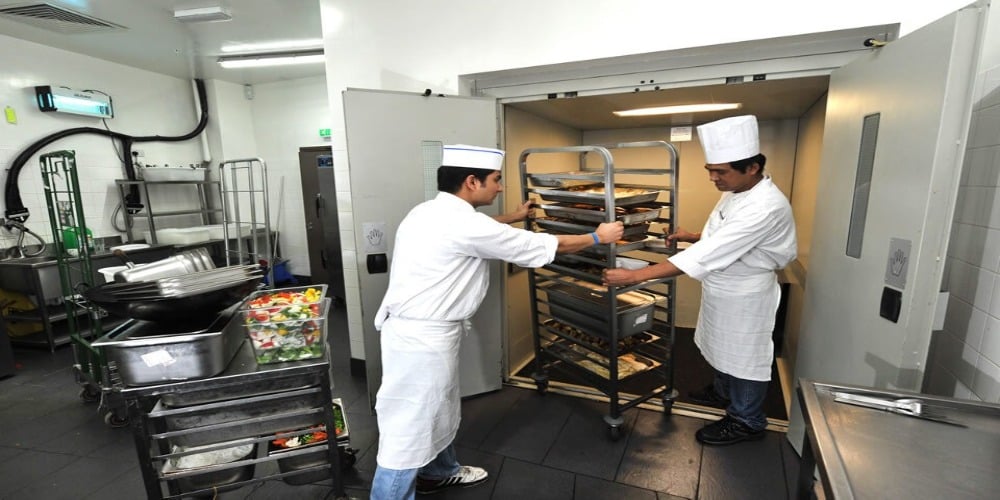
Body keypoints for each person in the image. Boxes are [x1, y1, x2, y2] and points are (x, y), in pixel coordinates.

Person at [371, 144, 624, 499]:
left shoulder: (427, 211)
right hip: (422, 340)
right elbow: (540, 245)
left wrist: (515, 217)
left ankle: (437, 473)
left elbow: (481, 229)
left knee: (438, 407)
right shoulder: (465, 224)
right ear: (471, 182)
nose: (501, 187)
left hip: (416, 332)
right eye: (496, 179)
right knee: (409, 428)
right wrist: (598, 236)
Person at [603, 115, 797, 446]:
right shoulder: (738, 189)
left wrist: (634, 275)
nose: (712, 178)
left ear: (752, 167)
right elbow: (725, 234)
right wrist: (692, 235)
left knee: (744, 357)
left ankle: (747, 420)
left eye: (720, 171)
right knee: (720, 346)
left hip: (746, 292)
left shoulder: (765, 205)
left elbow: (709, 253)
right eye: (710, 170)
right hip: (723, 285)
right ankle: (723, 392)